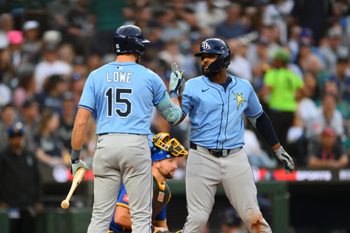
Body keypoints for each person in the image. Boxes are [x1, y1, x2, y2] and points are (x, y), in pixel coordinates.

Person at [169, 38, 295, 233]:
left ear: (224, 58)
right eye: (203, 57)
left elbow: (259, 118)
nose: (204, 61)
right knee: (197, 219)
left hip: (235, 157)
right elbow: (175, 119)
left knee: (254, 218)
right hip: (201, 156)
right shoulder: (193, 86)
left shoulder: (243, 86)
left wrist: (277, 148)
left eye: (210, 56)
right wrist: (173, 93)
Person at [70, 25, 183, 233]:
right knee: (141, 217)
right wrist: (174, 92)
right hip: (135, 144)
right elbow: (174, 117)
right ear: (138, 48)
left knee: (99, 218)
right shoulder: (150, 77)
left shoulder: (96, 75)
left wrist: (75, 158)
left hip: (105, 145)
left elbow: (80, 122)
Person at [109, 132, 188, 233]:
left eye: (175, 162)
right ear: (156, 162)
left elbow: (161, 226)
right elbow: (120, 218)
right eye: (170, 161)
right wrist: (153, 230)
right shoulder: (138, 180)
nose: (175, 166)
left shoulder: (164, 192)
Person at [0, 122, 43, 233]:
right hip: (10, 204)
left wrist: (38, 200)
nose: (17, 140)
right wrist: (1, 201)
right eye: (13, 137)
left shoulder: (29, 156)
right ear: (9, 139)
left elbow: (37, 179)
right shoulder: (3, 157)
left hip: (29, 204)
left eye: (19, 136)